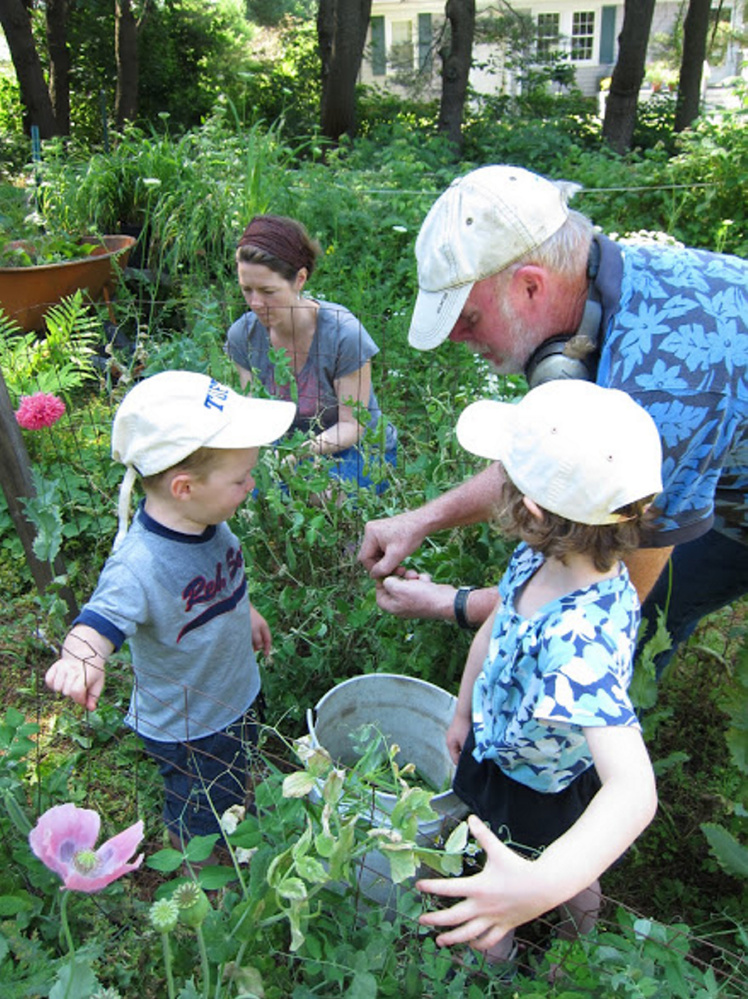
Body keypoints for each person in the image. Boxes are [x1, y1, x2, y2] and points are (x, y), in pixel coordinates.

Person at [358, 164, 748, 675]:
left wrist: (451, 603)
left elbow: (605, 592)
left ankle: (599, 729)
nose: (456, 336)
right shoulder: (608, 288)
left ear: (530, 288)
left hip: (734, 511)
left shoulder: (659, 390)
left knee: (641, 620)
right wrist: (422, 520)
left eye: (469, 318)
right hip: (710, 449)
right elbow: (547, 458)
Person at [417, 379, 660, 962]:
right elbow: (496, 625)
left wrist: (533, 888)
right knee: (529, 840)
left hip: (536, 785)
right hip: (504, 749)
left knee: (508, 884)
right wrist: (462, 707)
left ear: (529, 507)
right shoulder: (543, 557)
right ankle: (569, 920)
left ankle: (509, 960)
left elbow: (634, 791)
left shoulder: (581, 642)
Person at [44, 371, 296, 850]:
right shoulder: (139, 564)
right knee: (198, 811)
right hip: (190, 728)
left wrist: (246, 611)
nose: (251, 486)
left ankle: (235, 793)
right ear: (184, 487)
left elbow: (222, 578)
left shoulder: (207, 521)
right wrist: (81, 657)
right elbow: (99, 621)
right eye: (241, 478)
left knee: (234, 766)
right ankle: (201, 875)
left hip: (233, 694)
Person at [225, 214, 397, 494]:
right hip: (284, 449)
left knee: (323, 496)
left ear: (300, 279)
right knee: (239, 492)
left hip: (357, 450)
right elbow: (252, 412)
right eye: (247, 290)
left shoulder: (344, 334)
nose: (256, 303)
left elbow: (352, 426)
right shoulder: (242, 336)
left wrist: (298, 454)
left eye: (268, 291)